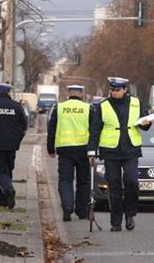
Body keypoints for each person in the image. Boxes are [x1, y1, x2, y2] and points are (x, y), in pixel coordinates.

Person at [88, 77, 151, 232]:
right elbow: (95, 129)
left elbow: (145, 124)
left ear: (125, 90)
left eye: (117, 90)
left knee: (132, 181)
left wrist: (147, 124)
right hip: (110, 150)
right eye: (112, 90)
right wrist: (91, 151)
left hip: (131, 149)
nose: (114, 93)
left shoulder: (136, 103)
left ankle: (130, 214)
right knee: (114, 186)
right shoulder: (103, 106)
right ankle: (116, 221)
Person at [47, 85, 92, 221]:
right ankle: (81, 211)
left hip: (65, 150)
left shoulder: (59, 108)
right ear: (82, 94)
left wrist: (50, 149)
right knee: (83, 182)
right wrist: (93, 150)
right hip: (83, 150)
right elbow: (94, 130)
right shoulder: (88, 108)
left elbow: (52, 130)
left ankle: (67, 206)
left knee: (65, 180)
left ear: (68, 93)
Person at [0, 83, 27, 209]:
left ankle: (7, 190)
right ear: (9, 92)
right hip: (12, 145)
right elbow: (24, 126)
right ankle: (4, 198)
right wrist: (17, 139)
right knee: (8, 168)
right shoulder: (16, 107)